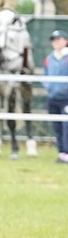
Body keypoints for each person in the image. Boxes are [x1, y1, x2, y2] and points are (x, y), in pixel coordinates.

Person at [45, 29, 68, 164]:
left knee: (66, 126)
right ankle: (61, 152)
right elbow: (45, 75)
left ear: (65, 41)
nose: (56, 42)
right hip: (52, 97)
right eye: (54, 40)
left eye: (59, 39)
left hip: (66, 98)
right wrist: (49, 87)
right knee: (57, 126)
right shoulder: (49, 58)